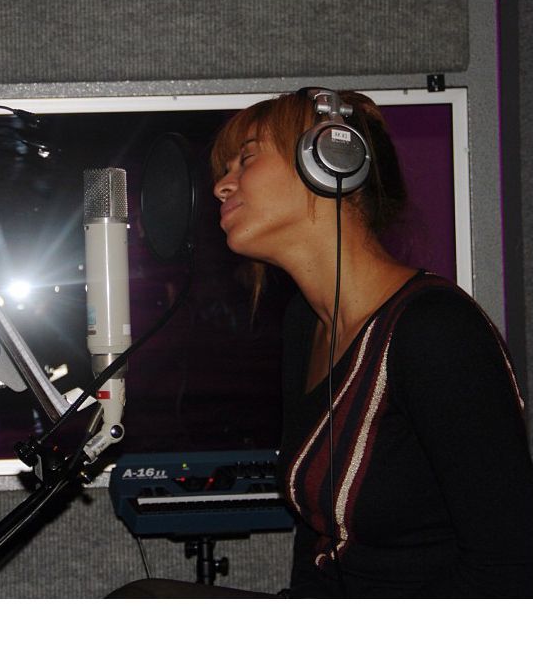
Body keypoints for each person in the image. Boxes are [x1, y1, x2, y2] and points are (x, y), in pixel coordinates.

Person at [107, 88, 531, 598]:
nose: (222, 185)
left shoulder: (436, 330)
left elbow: (509, 567)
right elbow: (315, 544)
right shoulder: (306, 325)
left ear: (332, 159)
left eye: (246, 158)